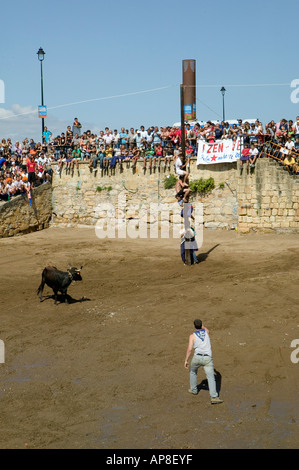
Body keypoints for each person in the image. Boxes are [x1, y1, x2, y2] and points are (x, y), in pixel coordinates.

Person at [184, 319, 223, 404]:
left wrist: (186, 360)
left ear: (194, 326)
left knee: (192, 371)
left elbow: (190, 349)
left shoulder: (192, 336)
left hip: (197, 358)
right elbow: (206, 329)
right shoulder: (206, 331)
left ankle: (194, 389)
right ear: (202, 325)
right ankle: (214, 397)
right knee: (211, 377)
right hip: (207, 359)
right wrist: (203, 326)